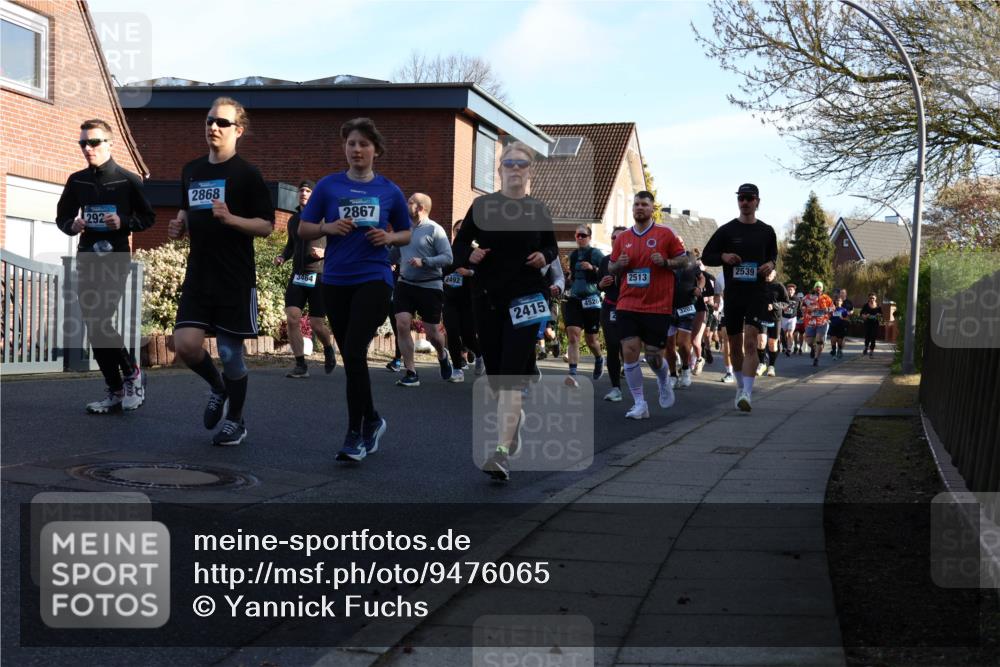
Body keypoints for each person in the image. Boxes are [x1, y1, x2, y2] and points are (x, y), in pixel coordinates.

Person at [297, 117, 412, 461]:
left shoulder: (389, 190)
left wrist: (389, 237)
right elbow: (303, 228)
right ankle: (373, 419)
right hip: (336, 280)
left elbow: (406, 232)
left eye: (363, 144)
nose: (356, 149)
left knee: (355, 348)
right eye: (351, 144)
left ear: (376, 150)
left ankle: (354, 435)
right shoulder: (328, 187)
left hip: (375, 278)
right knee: (352, 356)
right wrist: (328, 226)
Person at [167, 98, 275, 446]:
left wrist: (231, 219)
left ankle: (237, 420)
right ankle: (217, 387)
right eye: (210, 120)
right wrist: (179, 223)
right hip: (199, 273)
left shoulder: (247, 174)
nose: (213, 127)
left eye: (222, 123)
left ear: (238, 130)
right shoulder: (192, 169)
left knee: (230, 353)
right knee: (184, 344)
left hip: (234, 276)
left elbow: (266, 226)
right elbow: (186, 206)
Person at [453, 142, 558, 481]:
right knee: (498, 377)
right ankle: (512, 426)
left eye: (522, 164)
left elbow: (551, 244)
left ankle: (500, 452)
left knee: (510, 373)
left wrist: (545, 256)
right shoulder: (482, 206)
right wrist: (469, 256)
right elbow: (459, 243)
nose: (515, 169)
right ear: (499, 170)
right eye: (509, 164)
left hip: (526, 297)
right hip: (487, 296)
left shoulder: (538, 209)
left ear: (530, 171)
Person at [57, 118, 155, 414]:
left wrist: (123, 222)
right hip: (87, 255)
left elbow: (147, 217)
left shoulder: (128, 180)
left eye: (94, 142)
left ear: (109, 144)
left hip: (115, 256)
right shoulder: (77, 180)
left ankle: (132, 375)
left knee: (101, 318)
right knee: (92, 323)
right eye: (83, 143)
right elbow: (62, 217)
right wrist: (72, 225)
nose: (88, 148)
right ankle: (114, 389)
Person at [609, 191, 690, 419]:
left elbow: (685, 260)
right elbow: (611, 267)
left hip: (657, 305)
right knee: (629, 350)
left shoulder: (666, 233)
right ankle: (639, 403)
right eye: (636, 204)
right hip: (628, 303)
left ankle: (664, 379)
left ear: (652, 208)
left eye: (644, 204)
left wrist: (665, 262)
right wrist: (618, 265)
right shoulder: (623, 237)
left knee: (654, 356)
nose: (639, 208)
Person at [701, 183, 778, 412]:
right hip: (734, 295)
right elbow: (707, 255)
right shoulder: (726, 231)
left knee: (751, 342)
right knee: (734, 345)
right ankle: (739, 387)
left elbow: (773, 258)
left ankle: (747, 392)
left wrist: (770, 266)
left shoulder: (767, 231)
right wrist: (724, 256)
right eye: (741, 198)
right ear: (738, 202)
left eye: (749, 198)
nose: (745, 202)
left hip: (757, 293)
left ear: (757, 202)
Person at [388, 192, 454, 387]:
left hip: (430, 286)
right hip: (405, 284)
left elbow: (448, 258)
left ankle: (442, 354)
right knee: (402, 323)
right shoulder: (404, 229)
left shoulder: (435, 230)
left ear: (420, 207)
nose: (406, 204)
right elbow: (393, 255)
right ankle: (411, 372)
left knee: (432, 333)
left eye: (410, 202)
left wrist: (424, 261)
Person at [274, 179, 338, 378]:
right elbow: (291, 245)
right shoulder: (294, 220)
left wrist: (326, 252)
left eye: (308, 190)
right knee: (292, 317)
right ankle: (300, 364)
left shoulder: (325, 218)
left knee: (317, 323)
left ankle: (328, 348)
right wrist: (283, 256)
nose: (303, 193)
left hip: (319, 275)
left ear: (314, 195)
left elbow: (341, 244)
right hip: (298, 275)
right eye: (301, 190)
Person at [564, 225, 606, 386]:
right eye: (577, 235)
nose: (580, 238)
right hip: (575, 298)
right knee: (573, 335)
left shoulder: (595, 253)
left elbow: (606, 271)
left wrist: (593, 268)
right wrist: (568, 280)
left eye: (583, 235)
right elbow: (573, 277)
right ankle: (573, 374)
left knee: (591, 340)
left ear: (589, 237)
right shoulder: (573, 255)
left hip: (592, 299)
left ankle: (599, 358)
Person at [442, 219, 483, 382]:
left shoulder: (475, 251)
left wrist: (469, 272)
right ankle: (457, 369)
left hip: (468, 300)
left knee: (468, 335)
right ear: (453, 232)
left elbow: (482, 272)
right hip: (450, 299)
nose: (459, 233)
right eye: (456, 230)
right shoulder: (447, 250)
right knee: (452, 332)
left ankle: (480, 355)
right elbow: (441, 269)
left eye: (462, 230)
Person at [598, 226, 628, 401]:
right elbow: (598, 285)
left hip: (630, 307)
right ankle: (616, 388)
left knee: (628, 346)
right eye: (612, 238)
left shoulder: (634, 259)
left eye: (619, 237)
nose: (615, 240)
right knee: (612, 346)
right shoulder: (605, 261)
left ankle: (634, 384)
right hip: (610, 306)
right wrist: (601, 284)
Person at [747, 268, 788, 377]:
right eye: (767, 272)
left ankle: (771, 366)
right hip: (762, 317)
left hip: (775, 318)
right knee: (761, 341)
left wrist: (774, 306)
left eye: (771, 272)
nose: (768, 274)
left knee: (772, 343)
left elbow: (786, 303)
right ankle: (762, 363)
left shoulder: (779, 286)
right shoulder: (760, 285)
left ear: (774, 273)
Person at [801, 280, 834, 366]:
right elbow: (802, 306)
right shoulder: (808, 297)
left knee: (819, 339)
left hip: (822, 322)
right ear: (814, 288)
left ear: (822, 289)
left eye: (820, 287)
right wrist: (808, 309)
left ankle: (816, 359)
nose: (818, 289)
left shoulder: (826, 298)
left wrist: (828, 309)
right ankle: (813, 348)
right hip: (810, 322)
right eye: (817, 287)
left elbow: (833, 307)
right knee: (809, 342)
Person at [779, 282, 799, 356]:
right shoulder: (784, 297)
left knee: (790, 334)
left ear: (794, 291)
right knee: (784, 334)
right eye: (789, 290)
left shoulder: (797, 299)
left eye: (791, 290)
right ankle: (785, 346)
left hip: (792, 318)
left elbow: (798, 308)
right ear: (786, 290)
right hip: (784, 318)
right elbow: (780, 305)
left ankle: (789, 349)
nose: (790, 291)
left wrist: (800, 315)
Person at [828, 294, 849, 359]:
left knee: (840, 341)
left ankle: (839, 349)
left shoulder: (844, 310)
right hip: (833, 326)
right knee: (833, 340)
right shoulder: (832, 309)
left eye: (839, 301)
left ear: (842, 302)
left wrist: (843, 318)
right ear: (835, 302)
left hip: (841, 327)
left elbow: (847, 319)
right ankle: (834, 351)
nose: (838, 302)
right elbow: (828, 316)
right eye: (837, 300)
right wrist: (828, 319)